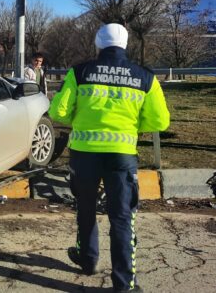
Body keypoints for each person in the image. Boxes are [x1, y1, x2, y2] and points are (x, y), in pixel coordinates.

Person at [48, 23, 170, 293]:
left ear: (98, 44)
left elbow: (59, 112)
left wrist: (77, 120)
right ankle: (124, 283)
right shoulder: (144, 77)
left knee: (86, 208)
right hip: (122, 157)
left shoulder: (79, 72)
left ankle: (88, 259)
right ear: (126, 44)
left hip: (84, 154)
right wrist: (134, 126)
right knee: (122, 218)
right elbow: (160, 120)